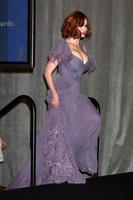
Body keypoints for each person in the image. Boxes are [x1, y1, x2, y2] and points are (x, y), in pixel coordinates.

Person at [7, 10, 101, 189]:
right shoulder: (63, 46)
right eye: (83, 24)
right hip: (61, 95)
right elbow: (47, 72)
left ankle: (80, 158)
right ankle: (58, 179)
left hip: (76, 95)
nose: (86, 28)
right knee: (60, 137)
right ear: (74, 25)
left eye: (86, 25)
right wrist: (55, 95)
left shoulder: (83, 47)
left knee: (93, 119)